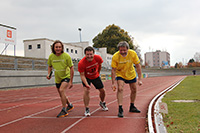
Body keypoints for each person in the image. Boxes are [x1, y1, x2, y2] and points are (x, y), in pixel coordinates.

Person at [111, 41, 142, 118]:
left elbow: (138, 66)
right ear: (119, 50)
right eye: (121, 50)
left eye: (124, 50)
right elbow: (113, 70)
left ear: (127, 49)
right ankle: (120, 108)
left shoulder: (133, 54)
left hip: (131, 73)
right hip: (120, 74)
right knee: (120, 88)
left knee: (134, 89)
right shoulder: (115, 56)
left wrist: (140, 79)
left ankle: (132, 106)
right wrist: (113, 83)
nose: (123, 52)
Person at [47, 40, 74, 118]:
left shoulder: (66, 56)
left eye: (59, 47)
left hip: (66, 76)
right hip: (57, 77)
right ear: (53, 48)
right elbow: (49, 66)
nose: (58, 48)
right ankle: (69, 105)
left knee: (62, 90)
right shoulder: (51, 56)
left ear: (62, 48)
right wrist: (49, 74)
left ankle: (64, 109)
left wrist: (71, 81)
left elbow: (72, 68)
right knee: (61, 94)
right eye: (56, 47)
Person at [78, 46, 108, 116]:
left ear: (94, 54)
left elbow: (100, 66)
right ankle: (87, 108)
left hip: (95, 76)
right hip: (86, 77)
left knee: (102, 90)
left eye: (91, 54)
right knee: (86, 91)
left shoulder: (98, 58)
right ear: (85, 55)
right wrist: (86, 84)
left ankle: (102, 102)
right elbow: (82, 75)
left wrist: (98, 73)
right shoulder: (81, 63)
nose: (89, 56)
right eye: (87, 54)